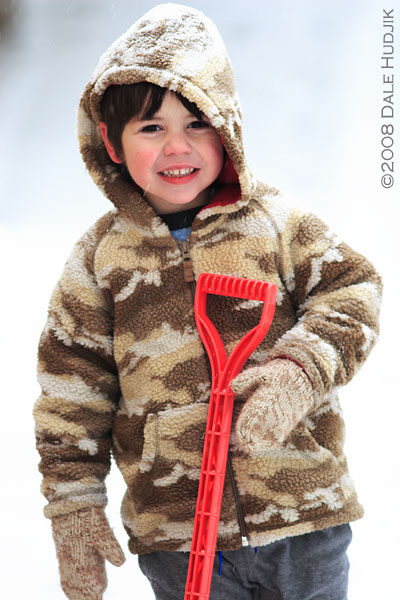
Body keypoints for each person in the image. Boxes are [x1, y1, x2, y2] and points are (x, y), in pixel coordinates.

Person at [33, 4, 382, 599]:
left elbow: (353, 290)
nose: (178, 146)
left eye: (198, 123)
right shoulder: (99, 259)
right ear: (112, 145)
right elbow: (72, 389)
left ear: (229, 129)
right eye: (151, 128)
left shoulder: (277, 224)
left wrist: (298, 373)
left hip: (302, 515)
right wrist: (73, 505)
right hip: (175, 531)